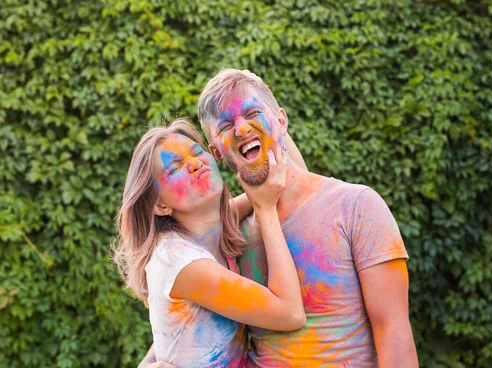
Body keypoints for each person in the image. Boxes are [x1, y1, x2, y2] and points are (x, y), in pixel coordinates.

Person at [194, 69, 420, 367]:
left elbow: (393, 331)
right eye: (225, 125)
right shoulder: (231, 237)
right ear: (216, 152)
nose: (241, 129)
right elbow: (184, 313)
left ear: (281, 120)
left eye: (252, 112)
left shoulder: (355, 206)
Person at [112, 119, 307, 368]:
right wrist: (265, 208)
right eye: (174, 169)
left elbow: (293, 183)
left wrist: (274, 121)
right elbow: (290, 314)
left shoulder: (212, 225)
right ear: (160, 205)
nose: (194, 164)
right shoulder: (178, 261)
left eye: (196, 152)